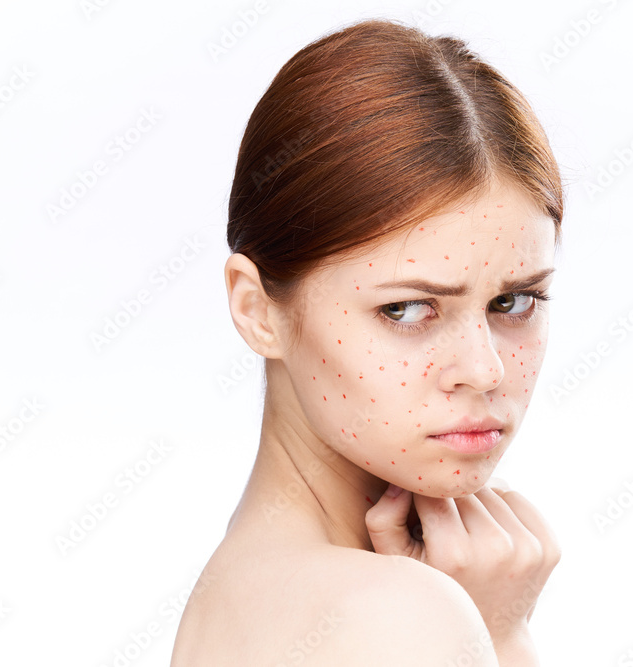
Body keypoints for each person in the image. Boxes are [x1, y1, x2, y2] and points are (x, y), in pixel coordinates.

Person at [172, 17, 563, 666]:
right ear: (257, 308)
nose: (484, 368)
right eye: (407, 308)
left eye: (513, 301)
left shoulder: (234, 591)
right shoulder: (398, 616)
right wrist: (501, 635)